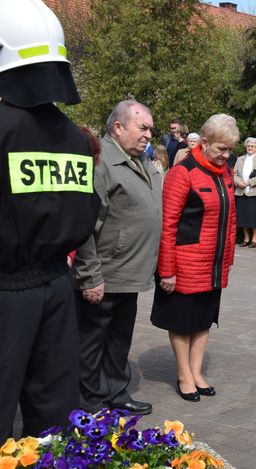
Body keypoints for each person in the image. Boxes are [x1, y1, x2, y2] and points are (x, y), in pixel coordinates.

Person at [0, 0, 99, 439]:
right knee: (54, 421)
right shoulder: (74, 138)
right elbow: (86, 211)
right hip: (57, 289)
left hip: (5, 291)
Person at [73, 100, 162, 416]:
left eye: (150, 128)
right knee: (91, 342)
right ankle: (88, 401)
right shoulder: (101, 163)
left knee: (119, 339)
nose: (149, 134)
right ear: (118, 127)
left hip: (130, 273)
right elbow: (84, 225)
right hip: (105, 275)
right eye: (143, 127)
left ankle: (115, 392)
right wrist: (90, 275)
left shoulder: (142, 161)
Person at [152, 113, 238, 401]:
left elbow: (230, 216)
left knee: (203, 319)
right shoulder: (183, 172)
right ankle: (183, 374)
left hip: (212, 263)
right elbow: (168, 223)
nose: (226, 156)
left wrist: (228, 257)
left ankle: (197, 371)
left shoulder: (224, 172)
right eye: (220, 149)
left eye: (229, 150)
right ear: (204, 142)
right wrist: (166, 270)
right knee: (181, 321)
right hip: (184, 262)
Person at [234, 137, 256, 248]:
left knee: (254, 216)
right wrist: (239, 182)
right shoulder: (240, 159)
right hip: (241, 191)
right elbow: (234, 173)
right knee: (242, 216)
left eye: (253, 146)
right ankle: (246, 238)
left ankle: (255, 238)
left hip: (255, 191)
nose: (250, 148)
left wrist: (249, 182)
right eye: (248, 146)